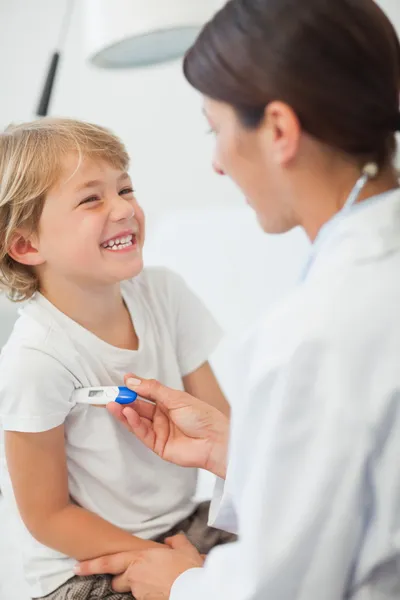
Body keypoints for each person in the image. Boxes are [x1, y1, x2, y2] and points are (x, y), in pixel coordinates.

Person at [74, 0, 400, 598]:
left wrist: (183, 585)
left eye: (215, 128)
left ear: (278, 129)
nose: (217, 163)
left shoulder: (317, 333)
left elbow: (281, 588)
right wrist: (236, 452)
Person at [0, 118, 235, 600]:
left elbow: (221, 425)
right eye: (92, 198)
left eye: (125, 188)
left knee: (301, 551)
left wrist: (188, 568)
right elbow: (47, 516)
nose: (124, 208)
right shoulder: (36, 358)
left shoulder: (164, 294)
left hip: (182, 525)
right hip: (86, 564)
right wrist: (168, 568)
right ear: (27, 244)